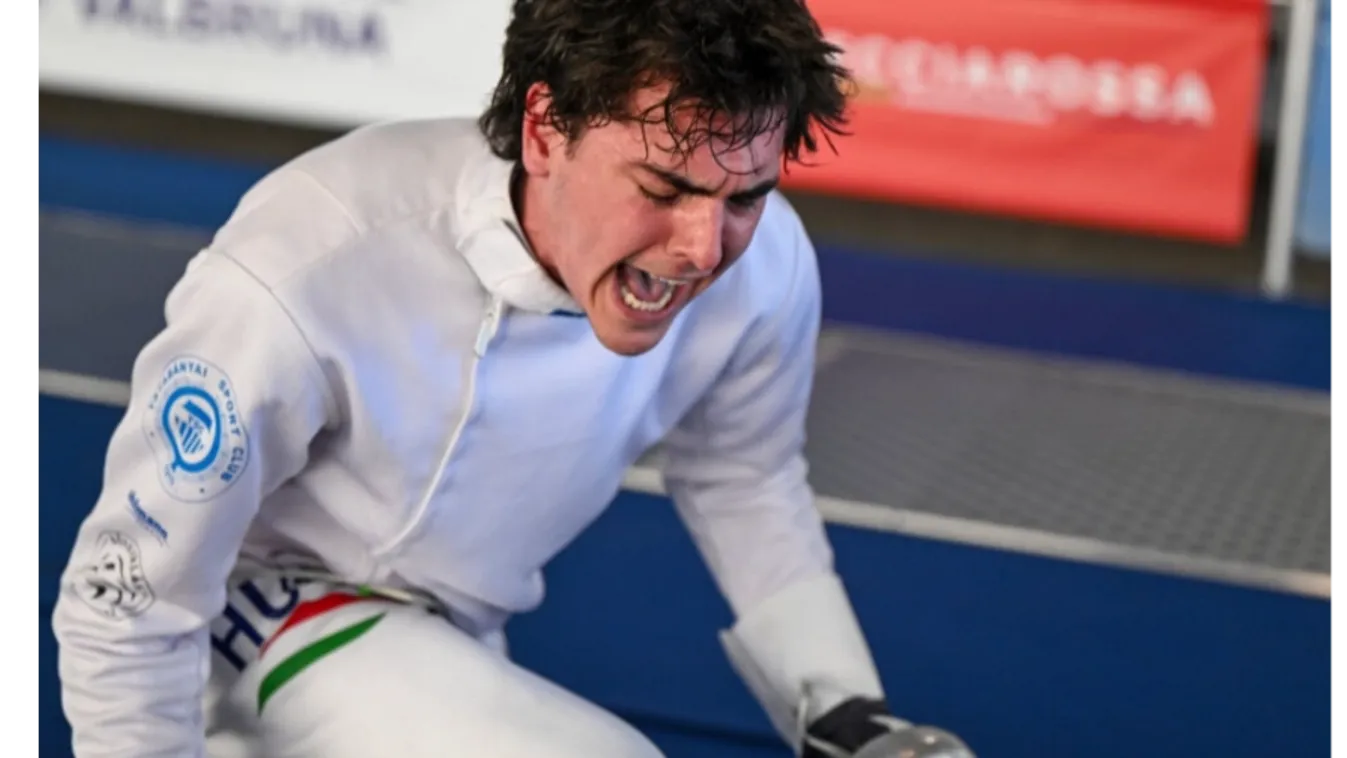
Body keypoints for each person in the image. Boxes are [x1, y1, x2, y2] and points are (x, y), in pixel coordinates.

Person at [52, 1, 976, 756]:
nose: (702, 249)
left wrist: (842, 708)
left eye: (746, 194)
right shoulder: (311, 261)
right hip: (249, 619)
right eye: (662, 189)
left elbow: (743, 474)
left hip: (445, 650)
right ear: (544, 128)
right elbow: (126, 594)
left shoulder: (764, 266)